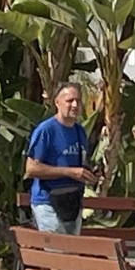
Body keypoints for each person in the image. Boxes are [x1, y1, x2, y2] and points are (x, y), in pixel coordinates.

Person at [25, 82, 91, 234]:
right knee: (57, 253)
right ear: (57, 102)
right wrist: (69, 172)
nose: (75, 105)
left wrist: (89, 174)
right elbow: (31, 168)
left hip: (73, 202)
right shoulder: (46, 131)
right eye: (69, 101)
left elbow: (79, 164)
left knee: (71, 254)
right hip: (47, 202)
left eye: (78, 101)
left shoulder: (80, 131)